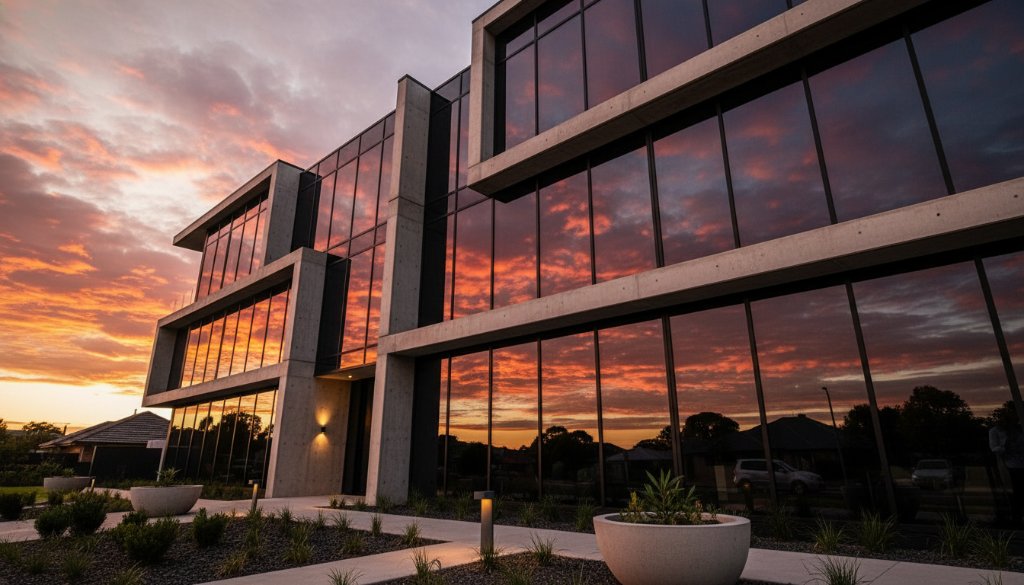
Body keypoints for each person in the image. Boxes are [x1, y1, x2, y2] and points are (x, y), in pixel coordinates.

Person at [989, 402, 1024, 526]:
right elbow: (994, 448)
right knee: (1015, 492)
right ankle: (1015, 517)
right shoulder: (996, 431)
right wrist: (1006, 446)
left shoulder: (1018, 430)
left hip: (1018, 464)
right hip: (1009, 465)